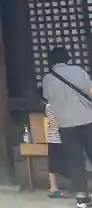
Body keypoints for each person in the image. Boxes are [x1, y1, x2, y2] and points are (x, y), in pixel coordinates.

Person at [43, 47, 92, 208]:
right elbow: (90, 91)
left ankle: (82, 198)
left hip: (65, 124)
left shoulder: (48, 79)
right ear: (67, 57)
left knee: (75, 161)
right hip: (87, 120)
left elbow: (47, 97)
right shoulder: (78, 71)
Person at [44, 101, 67, 198]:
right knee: (52, 164)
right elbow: (56, 122)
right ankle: (53, 188)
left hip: (65, 138)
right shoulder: (49, 106)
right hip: (55, 139)